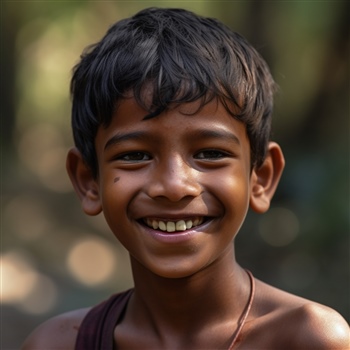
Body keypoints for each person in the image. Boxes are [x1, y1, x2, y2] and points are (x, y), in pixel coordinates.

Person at [22, 7, 349, 350]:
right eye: (134, 155)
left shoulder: (309, 339)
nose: (175, 186)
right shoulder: (57, 344)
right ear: (89, 181)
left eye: (210, 153)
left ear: (260, 178)